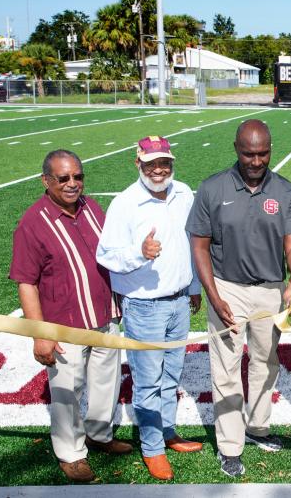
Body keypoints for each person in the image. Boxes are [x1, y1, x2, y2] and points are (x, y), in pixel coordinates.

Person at [185, 119, 291, 478]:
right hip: (227, 288)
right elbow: (200, 246)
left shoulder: (284, 190)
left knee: (266, 363)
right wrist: (213, 294)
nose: (256, 161)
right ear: (236, 148)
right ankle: (230, 446)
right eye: (248, 153)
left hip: (270, 289)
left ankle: (257, 428)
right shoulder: (212, 188)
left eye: (263, 153)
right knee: (225, 368)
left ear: (271, 148)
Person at [10, 150, 131, 483]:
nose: (72, 184)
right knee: (68, 390)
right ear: (46, 181)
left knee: (107, 382)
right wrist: (40, 334)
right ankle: (71, 453)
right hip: (63, 324)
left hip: (104, 314)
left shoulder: (92, 208)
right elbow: (26, 282)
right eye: (63, 178)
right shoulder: (33, 221)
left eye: (78, 176)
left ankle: (99, 434)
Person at [96, 136, 203, 481]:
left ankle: (168, 431)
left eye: (165, 163)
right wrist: (140, 253)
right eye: (151, 163)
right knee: (147, 381)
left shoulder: (184, 193)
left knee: (172, 375)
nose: (159, 170)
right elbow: (106, 256)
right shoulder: (125, 204)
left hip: (179, 301)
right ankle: (152, 447)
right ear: (137, 163)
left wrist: (195, 286)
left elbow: (192, 243)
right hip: (143, 306)